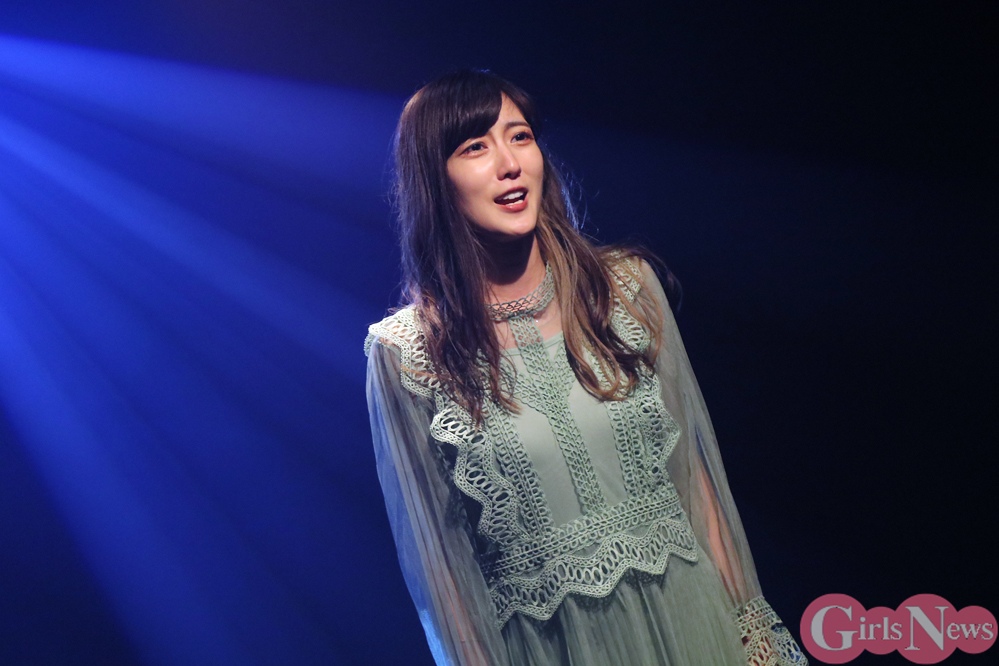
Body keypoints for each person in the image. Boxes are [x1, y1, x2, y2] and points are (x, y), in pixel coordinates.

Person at [364, 69, 807, 665]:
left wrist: (754, 641)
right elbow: (443, 570)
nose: (509, 164)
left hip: (693, 627)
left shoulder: (625, 289)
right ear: (434, 178)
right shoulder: (409, 353)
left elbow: (697, 487)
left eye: (520, 136)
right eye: (475, 147)